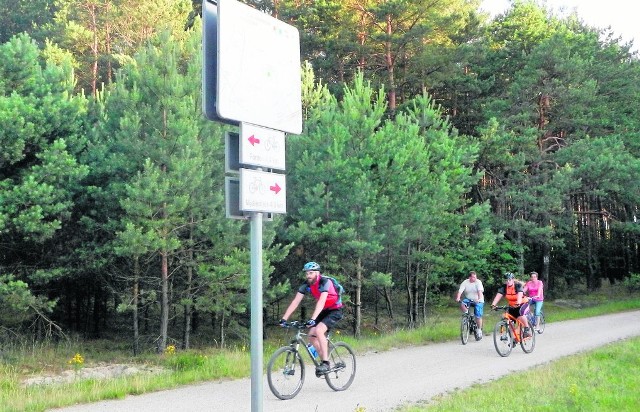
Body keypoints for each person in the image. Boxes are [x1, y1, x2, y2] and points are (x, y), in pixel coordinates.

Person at [279, 261, 344, 376]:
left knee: (319, 330)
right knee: (311, 337)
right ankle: (324, 359)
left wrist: (313, 319)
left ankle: (326, 362)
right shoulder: (306, 284)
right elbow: (295, 301)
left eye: (311, 273)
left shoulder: (325, 282)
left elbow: (321, 301)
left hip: (335, 310)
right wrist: (284, 318)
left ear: (317, 273)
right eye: (307, 273)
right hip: (323, 311)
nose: (308, 275)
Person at [491, 272, 532, 337]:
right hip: (512, 305)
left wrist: (518, 302)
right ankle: (513, 338)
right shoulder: (504, 287)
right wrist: (493, 305)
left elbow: (520, 294)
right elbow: (498, 295)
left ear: (513, 280)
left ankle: (527, 329)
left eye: (509, 280)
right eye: (506, 280)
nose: (508, 281)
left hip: (522, 303)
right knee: (510, 321)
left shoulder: (517, 285)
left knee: (520, 314)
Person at [454, 271, 485, 339]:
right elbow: (460, 291)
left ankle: (479, 330)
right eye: (473, 277)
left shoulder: (478, 282)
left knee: (478, 315)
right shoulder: (465, 282)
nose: (475, 278)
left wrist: (479, 299)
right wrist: (458, 297)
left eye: (475, 277)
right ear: (469, 277)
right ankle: (466, 314)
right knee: (463, 303)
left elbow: (480, 292)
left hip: (478, 300)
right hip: (469, 299)